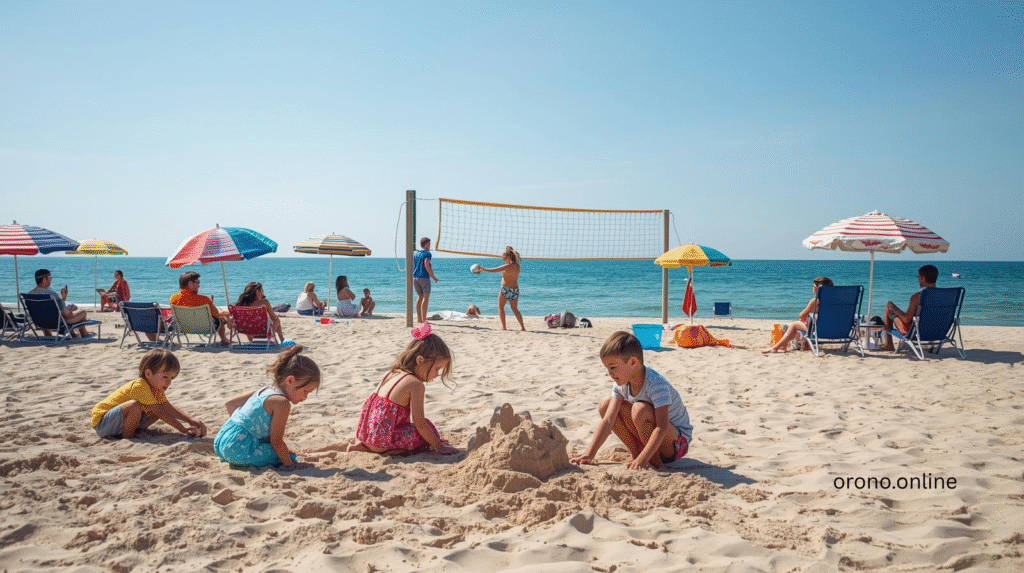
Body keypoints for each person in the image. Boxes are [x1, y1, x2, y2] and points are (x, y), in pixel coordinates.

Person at [321, 323, 458, 456]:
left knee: (423, 430)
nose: (437, 374)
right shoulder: (416, 385)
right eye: (436, 369)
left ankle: (365, 446)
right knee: (427, 429)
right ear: (420, 360)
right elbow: (420, 423)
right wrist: (439, 447)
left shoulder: (393, 373)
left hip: (365, 434)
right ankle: (387, 451)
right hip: (381, 443)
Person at [571, 331, 692, 470]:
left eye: (613, 367)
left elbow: (662, 426)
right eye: (607, 369)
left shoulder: (656, 384)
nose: (609, 373)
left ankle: (652, 460)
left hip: (675, 444)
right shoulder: (620, 384)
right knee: (605, 405)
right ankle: (636, 453)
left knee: (639, 409)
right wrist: (589, 454)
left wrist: (644, 458)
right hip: (651, 438)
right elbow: (608, 420)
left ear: (633, 362)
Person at [214, 345, 321, 470]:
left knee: (279, 450)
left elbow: (230, 404)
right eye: (305, 391)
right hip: (236, 450)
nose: (305, 397)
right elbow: (276, 442)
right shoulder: (282, 403)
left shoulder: (265, 390)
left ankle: (239, 446)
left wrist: (243, 432)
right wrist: (290, 464)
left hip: (221, 441)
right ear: (290, 380)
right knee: (285, 455)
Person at [90, 349, 207, 439]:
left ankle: (136, 430)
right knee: (135, 406)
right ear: (148, 374)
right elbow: (161, 412)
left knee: (158, 408)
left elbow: (167, 407)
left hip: (118, 423)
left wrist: (190, 420)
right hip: (103, 424)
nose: (169, 381)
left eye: (172, 378)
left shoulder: (156, 389)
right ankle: (127, 437)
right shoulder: (140, 386)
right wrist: (182, 429)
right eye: (165, 376)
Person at [762, 276, 834, 354]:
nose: (812, 288)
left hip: (818, 330)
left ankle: (776, 347)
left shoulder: (815, 302)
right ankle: (788, 345)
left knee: (794, 325)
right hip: (834, 329)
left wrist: (806, 317)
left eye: (813, 286)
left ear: (816, 289)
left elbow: (801, 315)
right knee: (804, 322)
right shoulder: (837, 301)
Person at [882, 264, 939, 351]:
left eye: (918, 277)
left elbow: (906, 319)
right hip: (936, 331)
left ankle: (889, 345)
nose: (917, 279)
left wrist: (895, 309)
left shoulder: (917, 297)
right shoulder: (944, 296)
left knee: (889, 308)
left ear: (922, 278)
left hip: (915, 332)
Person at [170, 271, 231, 346]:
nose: (199, 285)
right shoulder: (204, 299)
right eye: (197, 282)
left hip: (182, 328)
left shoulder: (173, 298)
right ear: (190, 284)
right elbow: (216, 315)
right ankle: (224, 339)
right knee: (220, 320)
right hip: (206, 328)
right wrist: (225, 315)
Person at [29, 268, 92, 338]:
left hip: (39, 322)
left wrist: (63, 300)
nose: (51, 280)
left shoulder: (30, 294)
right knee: (83, 313)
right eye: (50, 278)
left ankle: (51, 334)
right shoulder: (51, 294)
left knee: (45, 314)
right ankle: (83, 333)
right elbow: (66, 314)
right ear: (44, 280)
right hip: (56, 323)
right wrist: (64, 299)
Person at [476, 245, 525, 331]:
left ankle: (504, 327)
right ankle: (523, 327)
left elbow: (493, 270)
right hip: (515, 290)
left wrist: (483, 269)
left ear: (508, 257)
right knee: (515, 309)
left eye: (504, 256)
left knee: (501, 308)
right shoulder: (517, 266)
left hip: (505, 289)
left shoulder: (507, 266)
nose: (503, 258)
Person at [413, 237, 439, 324]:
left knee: (419, 296)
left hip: (415, 278)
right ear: (426, 244)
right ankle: (424, 319)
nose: (430, 245)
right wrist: (433, 276)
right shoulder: (427, 254)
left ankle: (419, 319)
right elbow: (426, 264)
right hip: (424, 277)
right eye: (429, 244)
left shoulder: (416, 253)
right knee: (425, 298)